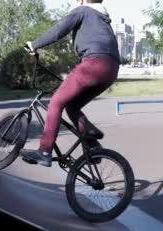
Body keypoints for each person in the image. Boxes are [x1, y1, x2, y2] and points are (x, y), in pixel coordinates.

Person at [20, 0, 120, 167]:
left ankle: (44, 151)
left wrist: (34, 44)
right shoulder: (103, 20)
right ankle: (91, 142)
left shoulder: (83, 10)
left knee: (56, 102)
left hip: (93, 64)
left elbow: (59, 29)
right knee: (72, 106)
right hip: (111, 70)